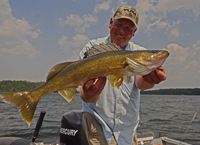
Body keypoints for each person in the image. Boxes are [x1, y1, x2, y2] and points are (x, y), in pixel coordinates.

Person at [79, 5, 166, 145]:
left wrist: (150, 80)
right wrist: (90, 93)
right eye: (119, 25)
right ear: (110, 23)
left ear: (134, 32)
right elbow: (84, 96)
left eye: (128, 28)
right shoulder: (92, 48)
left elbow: (140, 83)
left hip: (128, 129)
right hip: (97, 123)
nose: (122, 31)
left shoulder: (139, 52)